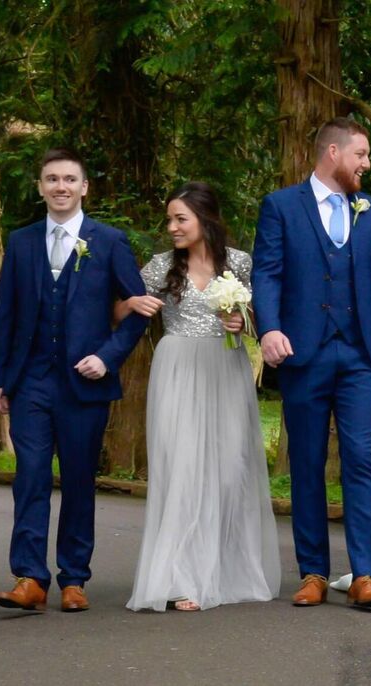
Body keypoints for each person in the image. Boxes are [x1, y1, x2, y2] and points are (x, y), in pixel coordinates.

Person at [252, 117, 371, 611]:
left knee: (361, 460)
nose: (367, 164)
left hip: (362, 354)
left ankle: (366, 573)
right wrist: (270, 328)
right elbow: (267, 271)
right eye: (361, 154)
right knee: (305, 462)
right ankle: (313, 573)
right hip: (304, 351)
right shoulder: (281, 206)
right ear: (332, 153)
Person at [0, 148, 149, 613]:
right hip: (31, 381)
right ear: (40, 187)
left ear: (84, 188)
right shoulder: (19, 242)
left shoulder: (110, 240)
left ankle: (74, 578)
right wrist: (0, 379)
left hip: (85, 384)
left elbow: (138, 310)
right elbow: (7, 316)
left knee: (79, 480)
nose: (60, 187)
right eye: (52, 179)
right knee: (31, 476)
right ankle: (29, 578)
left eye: (69, 179)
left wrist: (108, 357)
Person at [120, 181, 280, 612]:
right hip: (177, 367)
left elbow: (261, 318)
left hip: (225, 368)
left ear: (205, 219)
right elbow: (119, 308)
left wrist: (241, 322)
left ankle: (222, 572)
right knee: (184, 469)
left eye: (180, 218)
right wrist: (134, 304)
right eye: (169, 219)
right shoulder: (159, 267)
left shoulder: (240, 264)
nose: (171, 227)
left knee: (230, 468)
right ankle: (181, 578)